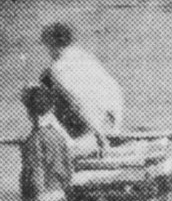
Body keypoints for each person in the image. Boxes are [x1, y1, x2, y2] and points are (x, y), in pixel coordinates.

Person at [39, 22, 124, 155]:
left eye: (47, 46)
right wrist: (114, 126)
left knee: (44, 82)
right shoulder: (86, 56)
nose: (47, 51)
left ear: (51, 44)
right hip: (110, 121)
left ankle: (70, 144)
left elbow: (78, 102)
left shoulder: (57, 69)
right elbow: (114, 89)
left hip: (94, 130)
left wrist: (100, 137)